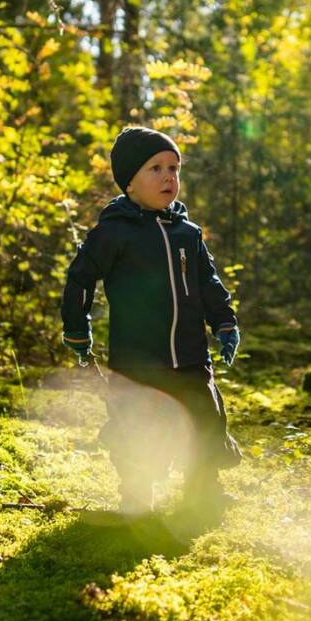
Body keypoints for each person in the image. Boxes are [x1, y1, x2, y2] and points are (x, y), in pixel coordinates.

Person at [60, 125, 243, 516]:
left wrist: (225, 323)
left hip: (192, 358)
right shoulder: (113, 233)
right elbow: (80, 277)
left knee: (205, 421)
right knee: (139, 429)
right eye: (155, 168)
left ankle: (203, 490)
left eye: (174, 168)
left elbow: (208, 282)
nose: (168, 178)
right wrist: (77, 328)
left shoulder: (188, 234)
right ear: (129, 182)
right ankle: (138, 495)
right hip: (139, 360)